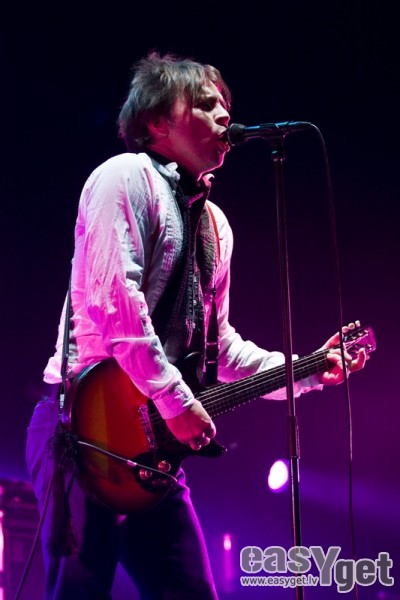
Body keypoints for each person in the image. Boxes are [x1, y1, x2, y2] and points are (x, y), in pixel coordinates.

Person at [26, 51, 367, 600]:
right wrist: (176, 400)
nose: (225, 115)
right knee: (79, 590)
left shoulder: (215, 225)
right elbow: (117, 306)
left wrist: (306, 368)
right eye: (206, 104)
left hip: (151, 450)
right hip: (85, 428)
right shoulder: (124, 177)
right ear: (158, 121)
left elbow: (219, 346)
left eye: (226, 105)